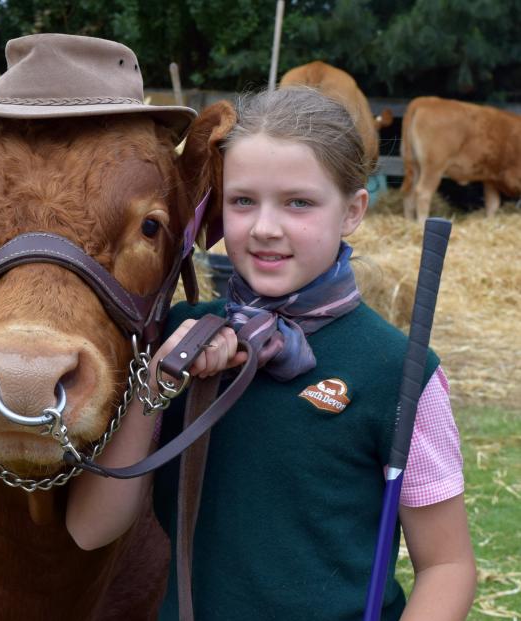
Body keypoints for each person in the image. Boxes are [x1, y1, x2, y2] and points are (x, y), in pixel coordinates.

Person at [66, 87, 476, 620]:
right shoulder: (172, 338)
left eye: (298, 202)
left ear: (352, 211)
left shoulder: (399, 371)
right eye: (242, 201)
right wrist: (160, 384)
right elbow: (89, 528)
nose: (264, 228)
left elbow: (448, 566)